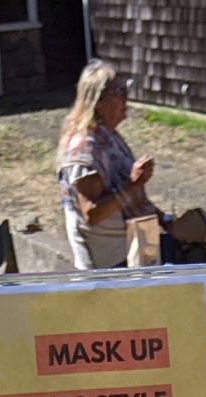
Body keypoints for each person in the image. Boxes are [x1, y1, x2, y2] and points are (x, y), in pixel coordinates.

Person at [57, 61, 160, 270]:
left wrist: (166, 221)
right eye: (120, 91)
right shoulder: (84, 148)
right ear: (99, 101)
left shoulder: (109, 137)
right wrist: (133, 183)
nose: (126, 98)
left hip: (132, 248)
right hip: (109, 264)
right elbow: (92, 214)